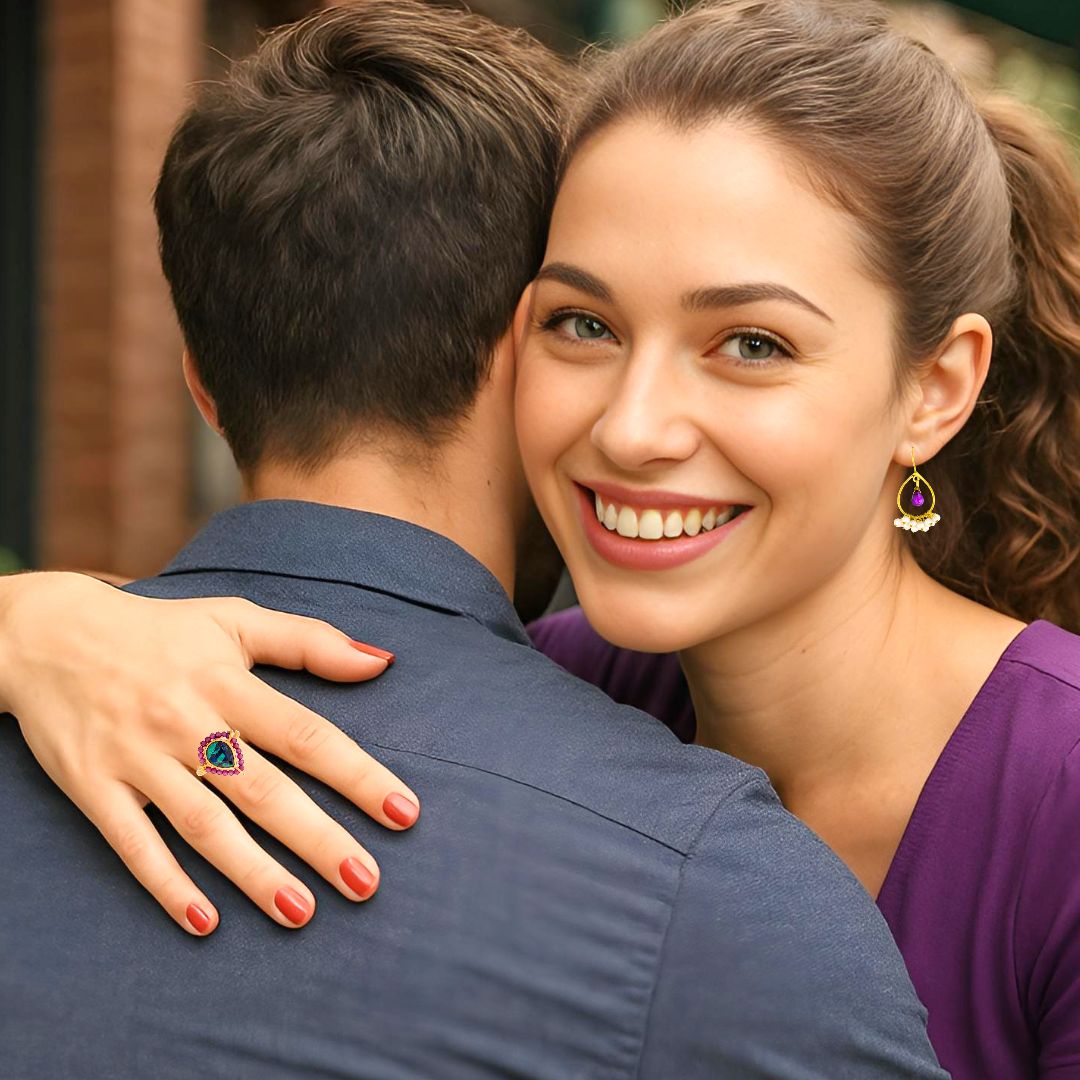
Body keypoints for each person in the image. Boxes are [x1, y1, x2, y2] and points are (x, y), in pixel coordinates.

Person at [5, 0, 1079, 1075]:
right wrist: (36, 625)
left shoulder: (1058, 792)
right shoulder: (552, 682)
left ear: (934, 391)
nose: (632, 427)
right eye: (586, 325)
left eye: (751, 343)